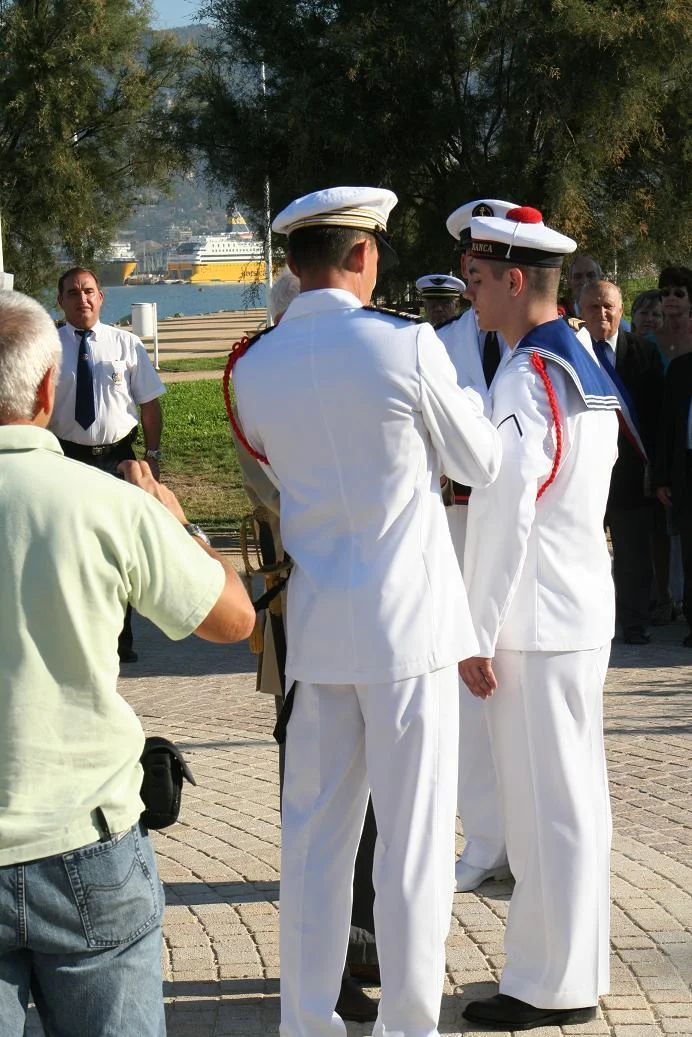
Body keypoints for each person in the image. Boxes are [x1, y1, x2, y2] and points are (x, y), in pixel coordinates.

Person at [232, 185, 502, 1037]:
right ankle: (407, 1026)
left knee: (313, 842)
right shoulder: (405, 345)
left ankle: (307, 1021)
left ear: (291, 263)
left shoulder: (255, 366)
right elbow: (482, 461)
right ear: (359, 254)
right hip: (410, 630)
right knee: (413, 849)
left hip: (317, 631)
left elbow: (277, 472)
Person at [0, 289, 255, 1037]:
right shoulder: (106, 503)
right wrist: (181, 526)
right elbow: (234, 618)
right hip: (88, 835)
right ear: (49, 392)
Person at [458, 206, 620, 1030]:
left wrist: (474, 631)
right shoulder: (583, 360)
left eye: (479, 279)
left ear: (516, 279)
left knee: (541, 806)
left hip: (533, 620)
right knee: (578, 798)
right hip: (579, 605)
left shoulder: (526, 375)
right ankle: (577, 964)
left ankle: (546, 983)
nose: (470, 293)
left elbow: (504, 509)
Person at [234, 266, 379, 1022]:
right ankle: (332, 962)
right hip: (302, 616)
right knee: (318, 798)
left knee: (361, 803)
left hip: (344, 610)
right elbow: (272, 493)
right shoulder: (258, 375)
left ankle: (362, 942)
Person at [438, 197, 517, 894]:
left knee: (522, 686)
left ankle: (524, 841)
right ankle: (485, 836)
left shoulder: (545, 344)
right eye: (470, 261)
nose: (474, 275)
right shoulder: (440, 347)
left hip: (526, 542)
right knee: (471, 692)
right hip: (462, 530)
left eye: (487, 261)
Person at [49, 266, 166, 663]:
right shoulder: (46, 347)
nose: (82, 299)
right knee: (71, 551)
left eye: (88, 291)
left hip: (120, 460)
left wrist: (152, 455)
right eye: (72, 293)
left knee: (121, 550)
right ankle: (76, 639)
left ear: (101, 297)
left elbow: (149, 403)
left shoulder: (126, 344)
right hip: (66, 460)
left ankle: (121, 639)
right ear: (60, 301)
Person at [580, 280, 664, 644]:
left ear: (620, 310)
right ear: (581, 313)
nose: (601, 313)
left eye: (608, 307)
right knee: (582, 550)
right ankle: (586, 620)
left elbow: (657, 416)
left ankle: (633, 621)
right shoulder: (571, 353)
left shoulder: (644, 353)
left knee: (632, 553)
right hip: (582, 472)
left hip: (630, 473)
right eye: (593, 307)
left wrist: (655, 469)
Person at [655, 348, 692, 647]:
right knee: (689, 551)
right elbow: (665, 426)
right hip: (686, 470)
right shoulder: (680, 368)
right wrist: (662, 478)